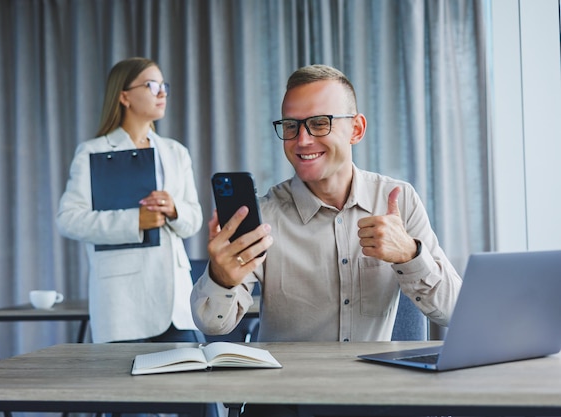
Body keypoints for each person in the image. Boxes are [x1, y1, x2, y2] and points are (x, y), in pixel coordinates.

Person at [191, 64, 462, 416]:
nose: (302, 140)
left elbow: (453, 311)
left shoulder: (399, 199)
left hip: (375, 397)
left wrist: (410, 254)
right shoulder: (264, 217)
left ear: (356, 129)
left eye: (319, 123)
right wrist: (221, 278)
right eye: (291, 126)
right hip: (287, 399)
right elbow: (214, 324)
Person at [57, 57, 203, 344]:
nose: (161, 93)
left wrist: (174, 210)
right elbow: (68, 219)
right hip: (123, 306)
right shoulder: (93, 152)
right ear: (124, 96)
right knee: (124, 385)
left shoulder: (176, 152)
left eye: (164, 86)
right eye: (151, 85)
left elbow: (194, 219)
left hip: (176, 302)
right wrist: (135, 220)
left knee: (185, 385)